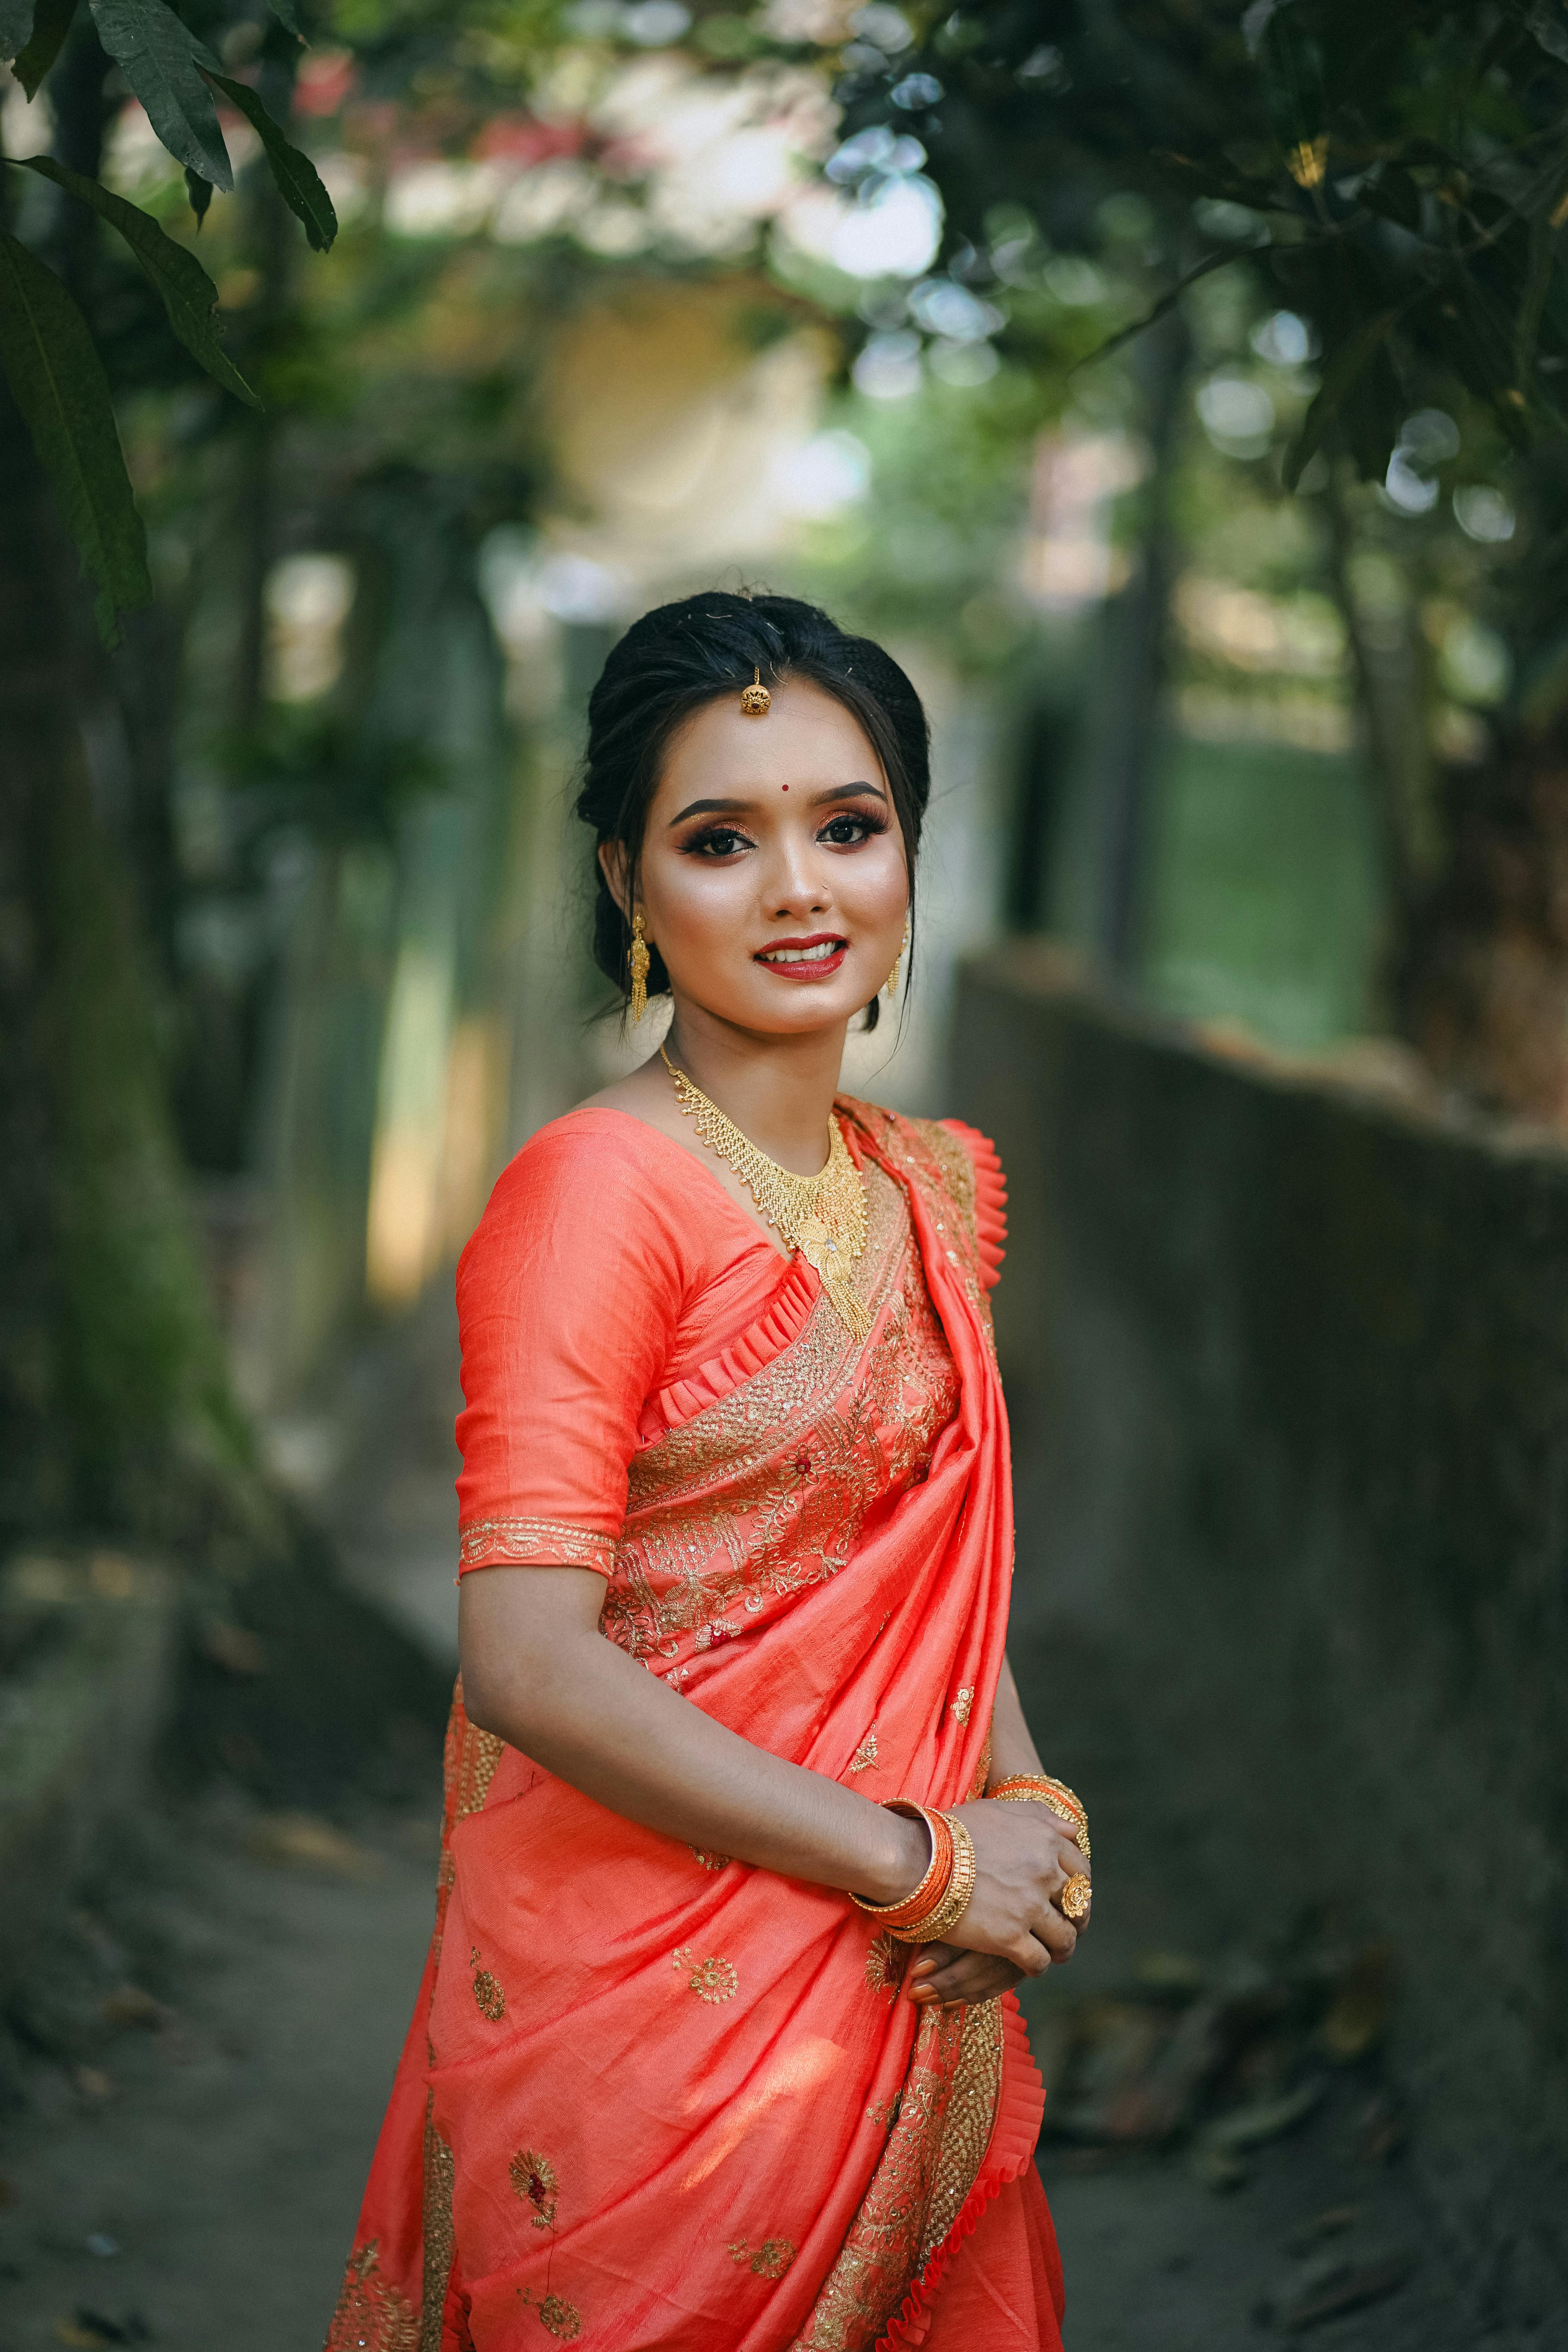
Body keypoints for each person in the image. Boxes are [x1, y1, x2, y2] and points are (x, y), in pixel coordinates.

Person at [325, 591, 1091, 2352]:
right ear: (625, 884)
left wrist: (1029, 1821)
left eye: (848, 827)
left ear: (909, 853)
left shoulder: (919, 1186)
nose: (800, 890)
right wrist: (913, 1861)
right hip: (646, 2023)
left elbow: (927, 1555)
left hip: (891, 1981)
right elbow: (526, 1659)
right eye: (719, 841)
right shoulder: (595, 1192)